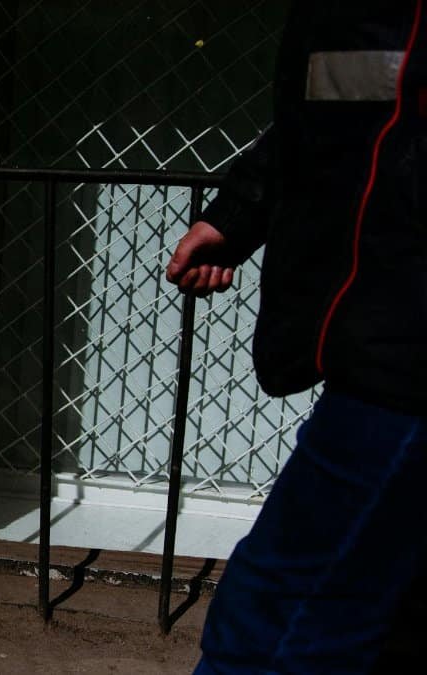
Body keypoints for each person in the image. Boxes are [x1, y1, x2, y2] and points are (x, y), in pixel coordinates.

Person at [166, 1, 427, 672]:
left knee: (276, 621)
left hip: (400, 358)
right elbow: (331, 121)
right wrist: (241, 210)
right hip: (382, 345)